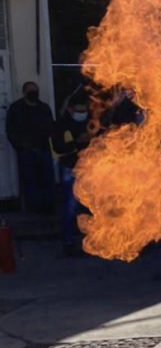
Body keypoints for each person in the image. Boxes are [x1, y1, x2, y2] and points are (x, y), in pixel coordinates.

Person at [6, 81, 55, 214]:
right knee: (30, 181)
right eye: (31, 91)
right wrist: (21, 146)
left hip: (43, 149)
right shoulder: (16, 109)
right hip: (26, 151)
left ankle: (48, 208)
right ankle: (33, 209)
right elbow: (10, 130)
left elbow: (51, 126)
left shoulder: (44, 108)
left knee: (47, 180)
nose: (34, 93)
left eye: (35, 90)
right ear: (24, 92)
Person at [50, 96, 91, 253]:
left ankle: (89, 240)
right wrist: (76, 143)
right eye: (79, 110)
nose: (82, 113)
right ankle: (68, 242)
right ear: (70, 109)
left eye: (84, 110)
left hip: (88, 169)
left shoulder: (89, 123)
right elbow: (58, 147)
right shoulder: (62, 125)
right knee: (70, 207)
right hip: (70, 169)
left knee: (88, 206)